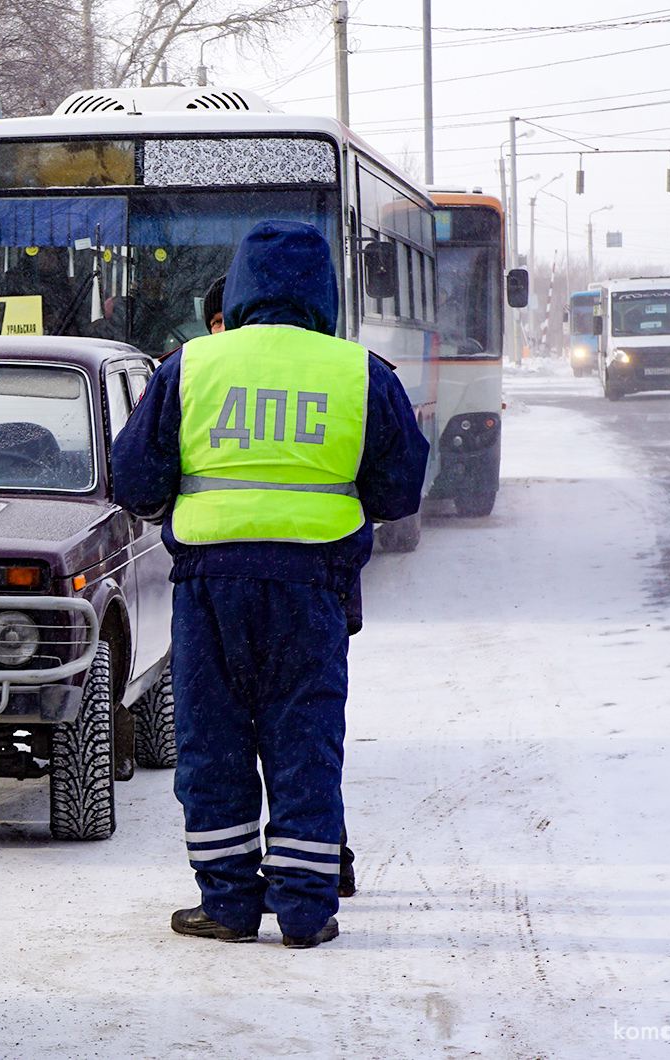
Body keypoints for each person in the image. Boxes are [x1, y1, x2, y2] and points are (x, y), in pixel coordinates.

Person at [111, 220, 427, 948]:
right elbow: (400, 489)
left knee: (213, 741)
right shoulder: (360, 373)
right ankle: (307, 910)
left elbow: (135, 478)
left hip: (208, 586)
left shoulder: (190, 366)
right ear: (325, 293)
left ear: (243, 285)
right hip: (312, 588)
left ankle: (226, 904)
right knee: (304, 739)